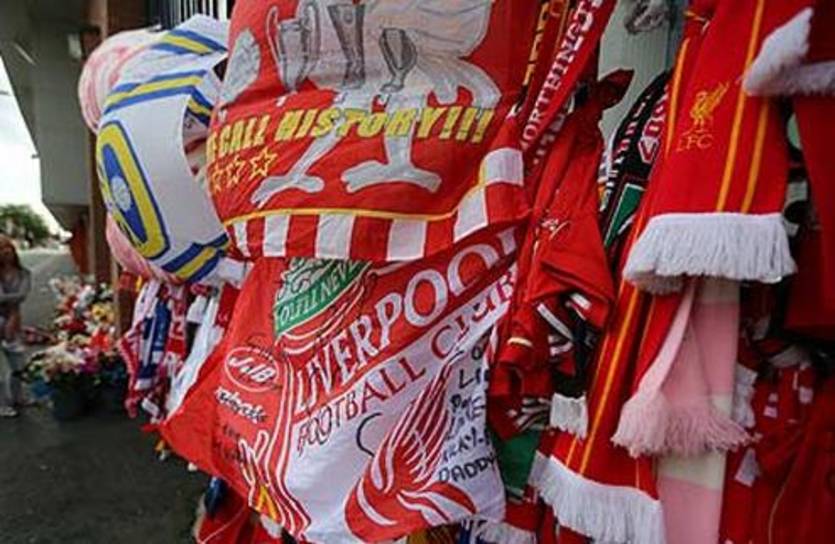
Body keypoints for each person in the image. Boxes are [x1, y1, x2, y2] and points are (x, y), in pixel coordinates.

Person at [0, 235, 31, 418]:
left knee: (18, 364)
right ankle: (2, 405)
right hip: (10, 316)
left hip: (14, 320)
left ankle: (18, 397)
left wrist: (12, 315)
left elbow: (23, 295)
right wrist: (12, 302)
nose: (6, 252)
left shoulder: (24, 273)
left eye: (9, 247)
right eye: (1, 248)